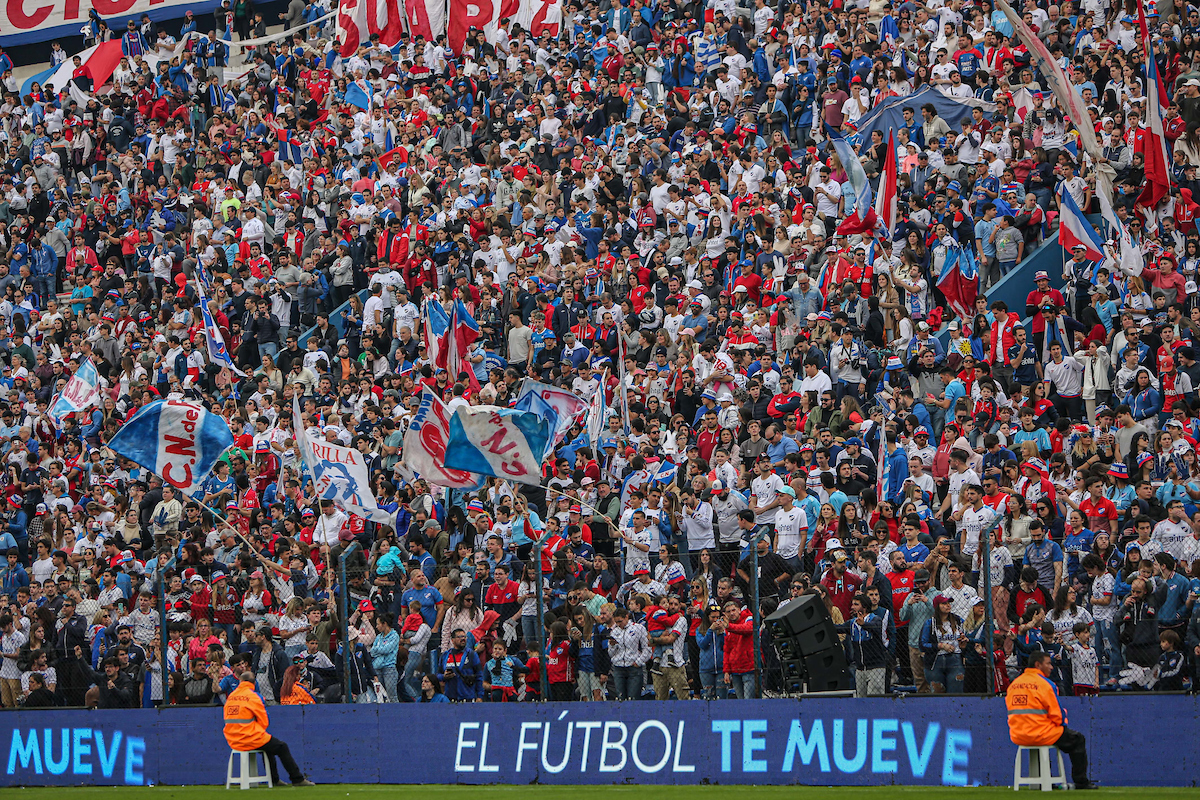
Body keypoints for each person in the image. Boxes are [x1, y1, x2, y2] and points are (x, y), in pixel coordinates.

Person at [1005, 652, 1095, 789]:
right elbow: (1057, 715)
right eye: (1048, 663)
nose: (1051, 667)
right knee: (1077, 739)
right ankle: (1081, 782)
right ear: (1038, 665)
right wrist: (1063, 725)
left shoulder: (1014, 684)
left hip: (1017, 735)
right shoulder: (1046, 684)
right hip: (1041, 734)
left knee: (1046, 743)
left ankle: (1041, 783)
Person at [223, 671, 315, 786]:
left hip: (232, 739)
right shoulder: (254, 697)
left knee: (269, 746)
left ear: (240, 682)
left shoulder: (231, 697)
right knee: (282, 747)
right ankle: (297, 779)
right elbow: (264, 722)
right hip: (249, 738)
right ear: (253, 683)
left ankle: (274, 780)